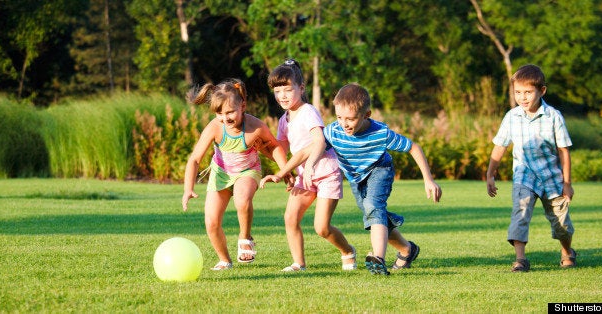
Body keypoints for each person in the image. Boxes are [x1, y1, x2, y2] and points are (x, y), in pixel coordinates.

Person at [308, 83, 442, 275]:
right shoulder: (334, 131)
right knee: (375, 216)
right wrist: (306, 165)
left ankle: (378, 258)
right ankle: (407, 249)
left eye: (351, 119)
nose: (344, 124)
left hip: (380, 170)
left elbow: (414, 147)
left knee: (373, 206)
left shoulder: (381, 133)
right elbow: (318, 145)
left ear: (366, 115)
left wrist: (428, 179)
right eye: (339, 117)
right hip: (356, 178)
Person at [182, 78, 290, 271]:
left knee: (242, 200)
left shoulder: (255, 126)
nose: (226, 118)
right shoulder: (215, 128)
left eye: (230, 112)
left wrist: (285, 171)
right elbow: (195, 159)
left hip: (248, 172)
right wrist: (188, 188)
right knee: (211, 222)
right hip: (221, 174)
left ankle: (245, 237)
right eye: (219, 113)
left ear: (243, 105)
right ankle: (224, 260)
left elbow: (274, 148)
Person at [259, 59, 357, 272]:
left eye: (287, 89)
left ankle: (348, 251)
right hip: (305, 175)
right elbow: (281, 150)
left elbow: (319, 141)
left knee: (321, 228)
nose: (282, 95)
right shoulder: (284, 119)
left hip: (326, 172)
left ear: (301, 88)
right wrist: (279, 168)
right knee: (290, 217)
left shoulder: (308, 111)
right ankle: (298, 263)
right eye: (277, 91)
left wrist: (310, 164)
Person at [486, 64, 576, 272]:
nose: (523, 97)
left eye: (528, 92)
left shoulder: (554, 116)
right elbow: (500, 146)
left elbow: (564, 151)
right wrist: (490, 174)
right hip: (524, 176)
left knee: (561, 224)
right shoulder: (511, 117)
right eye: (518, 92)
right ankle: (520, 259)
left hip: (552, 178)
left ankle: (567, 251)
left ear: (542, 91)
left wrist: (567, 183)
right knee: (521, 212)